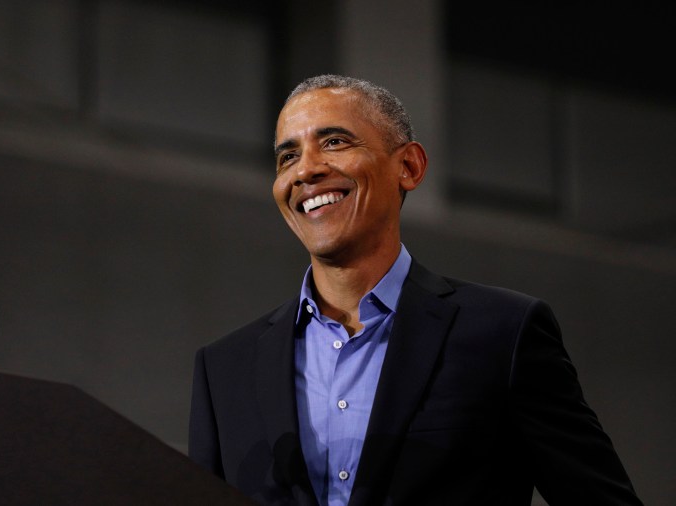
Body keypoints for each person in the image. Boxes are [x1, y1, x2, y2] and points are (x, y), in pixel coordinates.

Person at [189, 74, 642, 506]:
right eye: (287, 157)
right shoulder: (225, 368)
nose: (306, 170)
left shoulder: (503, 333)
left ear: (408, 166)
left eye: (334, 142)